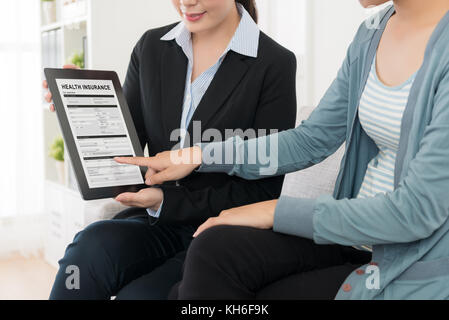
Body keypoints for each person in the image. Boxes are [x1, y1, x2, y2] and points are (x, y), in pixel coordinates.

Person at [117, 0, 449, 299]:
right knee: (212, 250)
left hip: (411, 262)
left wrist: (273, 212)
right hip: (349, 238)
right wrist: (201, 155)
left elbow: (416, 211)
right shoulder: (371, 33)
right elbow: (312, 138)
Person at [44, 0, 297, 300]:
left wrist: (168, 200)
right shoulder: (151, 47)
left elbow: (265, 191)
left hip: (222, 235)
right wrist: (81, 105)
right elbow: (129, 150)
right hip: (156, 223)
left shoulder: (274, 63)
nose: (186, 2)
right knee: (86, 253)